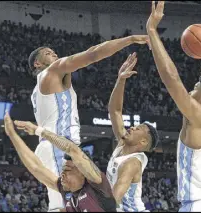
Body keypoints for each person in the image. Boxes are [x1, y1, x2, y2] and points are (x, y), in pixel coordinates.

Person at [28, 35, 149, 211]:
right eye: (48, 53)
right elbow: (92, 54)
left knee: (69, 205)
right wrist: (129, 40)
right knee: (62, 205)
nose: (54, 54)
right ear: (37, 64)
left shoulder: (45, 85)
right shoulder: (52, 71)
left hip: (58, 145)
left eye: (54, 52)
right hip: (57, 145)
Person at [146, 1, 201, 211]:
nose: (190, 92)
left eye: (194, 88)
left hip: (200, 206)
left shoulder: (198, 120)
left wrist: (152, 31)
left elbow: (172, 79)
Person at [4, 112, 117, 212]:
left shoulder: (97, 185)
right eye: (63, 169)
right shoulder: (66, 191)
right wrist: (12, 135)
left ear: (83, 172)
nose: (62, 174)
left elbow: (74, 150)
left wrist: (39, 131)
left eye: (67, 170)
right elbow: (36, 168)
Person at [107, 53, 159, 212]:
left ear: (143, 142)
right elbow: (115, 111)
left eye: (138, 129)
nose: (132, 127)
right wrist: (121, 79)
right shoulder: (122, 144)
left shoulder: (132, 163)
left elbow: (118, 193)